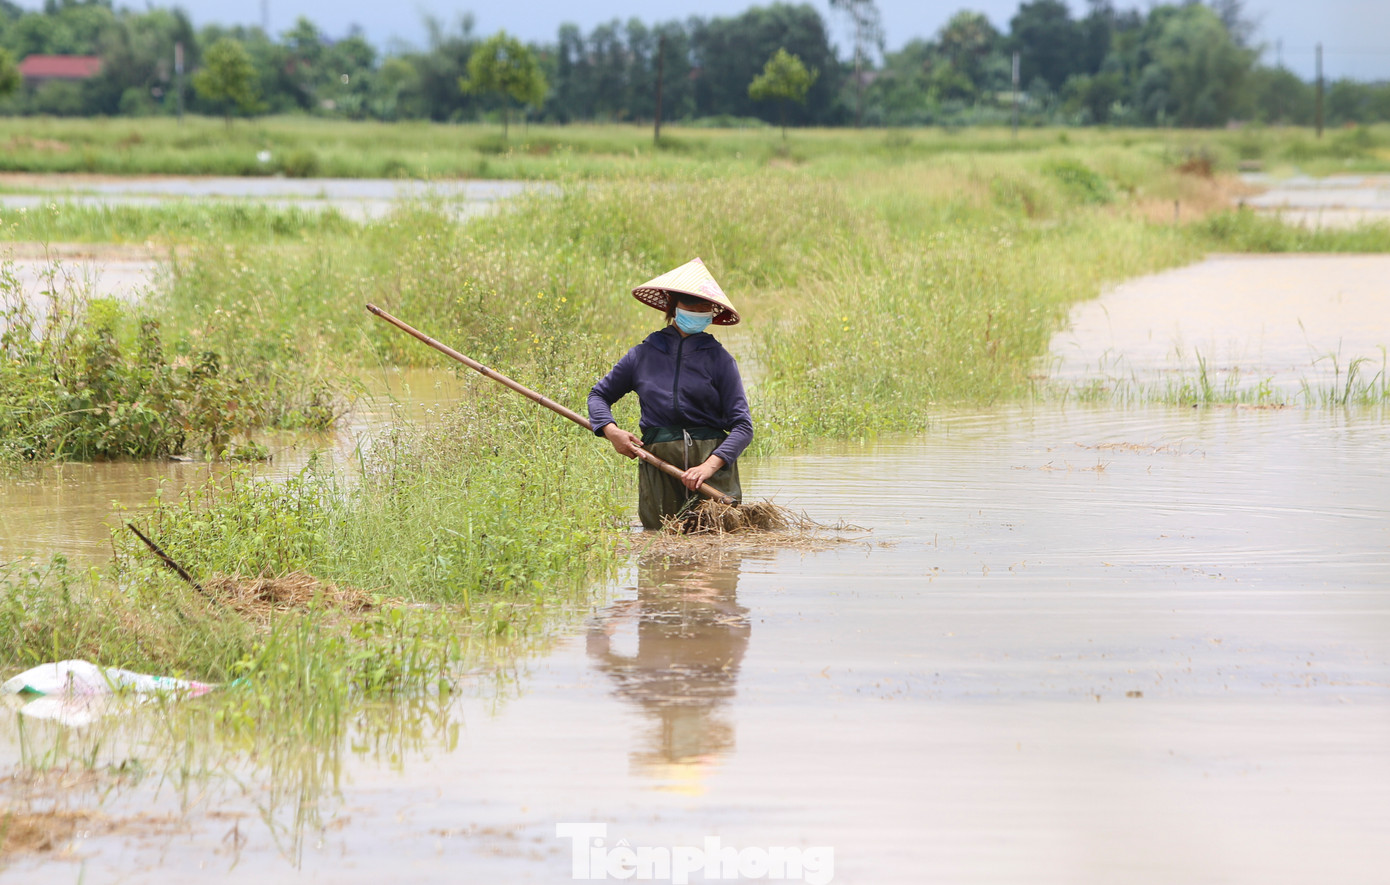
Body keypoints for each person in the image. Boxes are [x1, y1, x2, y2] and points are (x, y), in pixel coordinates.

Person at [588, 257, 753, 530]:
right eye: (691, 303)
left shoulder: (720, 360)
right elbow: (598, 396)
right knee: (660, 545)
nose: (699, 310)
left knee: (717, 556)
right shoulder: (642, 355)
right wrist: (611, 431)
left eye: (706, 306)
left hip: (711, 474)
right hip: (659, 467)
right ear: (673, 306)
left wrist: (708, 468)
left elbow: (743, 427)